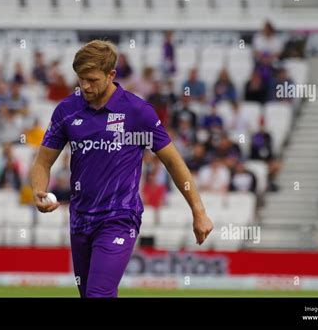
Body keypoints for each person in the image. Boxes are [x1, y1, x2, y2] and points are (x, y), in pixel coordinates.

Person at [30, 40, 213, 298]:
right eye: (81, 79)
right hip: (80, 218)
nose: (85, 86)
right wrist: (38, 189)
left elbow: (173, 161)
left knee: (98, 295)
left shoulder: (138, 112)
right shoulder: (67, 110)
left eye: (92, 79)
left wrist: (199, 211)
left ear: (111, 75)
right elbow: (42, 162)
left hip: (119, 217)